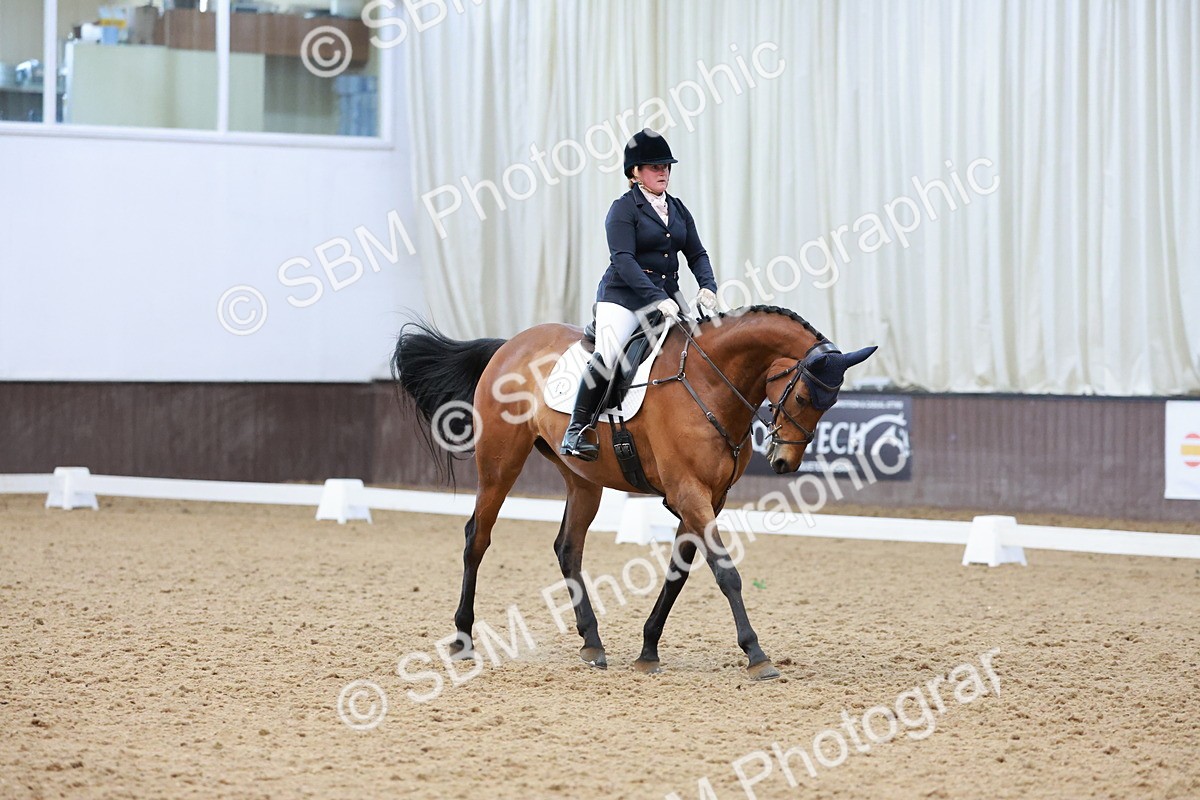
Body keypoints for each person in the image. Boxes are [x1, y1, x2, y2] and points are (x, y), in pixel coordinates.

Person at [560, 128, 720, 461]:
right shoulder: (623, 210)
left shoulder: (677, 209)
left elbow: (696, 253)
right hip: (623, 297)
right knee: (608, 354)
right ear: (635, 173)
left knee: (694, 349)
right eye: (654, 166)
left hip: (666, 298)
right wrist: (655, 297)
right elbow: (624, 260)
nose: (662, 171)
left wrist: (708, 286)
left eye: (666, 166)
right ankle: (576, 430)